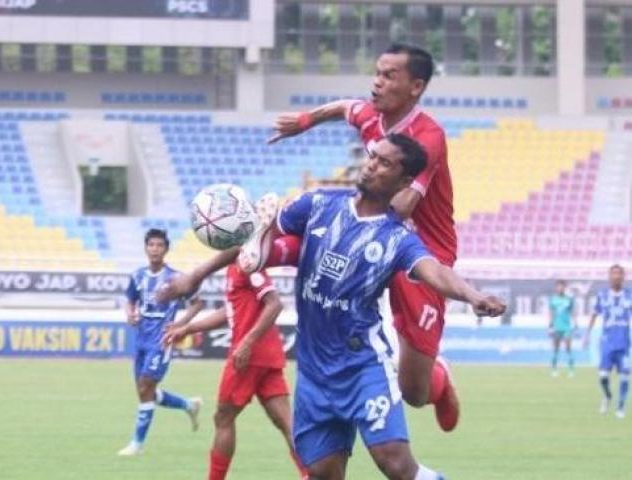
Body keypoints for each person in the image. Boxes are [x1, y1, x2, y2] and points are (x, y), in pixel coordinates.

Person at [159, 134, 505, 479]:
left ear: (402, 181)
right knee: (323, 472)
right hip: (314, 372)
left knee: (396, 464)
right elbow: (264, 243)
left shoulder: (397, 238)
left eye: (385, 162)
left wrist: (474, 297)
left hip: (362, 366)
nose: (371, 164)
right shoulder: (317, 204)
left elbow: (436, 272)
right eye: (373, 156)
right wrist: (199, 274)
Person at [253, 43, 460, 431]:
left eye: (388, 76)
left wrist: (338, 209)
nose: (377, 82)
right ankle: (261, 250)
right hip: (374, 237)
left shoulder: (427, 138)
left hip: (422, 253)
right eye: (377, 73)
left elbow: (401, 208)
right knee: (317, 238)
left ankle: (440, 378)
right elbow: (344, 106)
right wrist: (304, 121)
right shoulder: (370, 116)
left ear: (416, 87)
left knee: (414, 392)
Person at [164, 263, 308, 480]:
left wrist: (248, 342)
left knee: (223, 418)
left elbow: (275, 304)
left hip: (247, 358)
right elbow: (230, 311)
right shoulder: (236, 266)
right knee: (286, 422)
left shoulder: (247, 263)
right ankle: (309, 474)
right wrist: (188, 328)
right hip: (268, 354)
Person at [117, 228, 205, 456]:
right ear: (146, 248)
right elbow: (130, 300)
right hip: (141, 338)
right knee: (144, 391)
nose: (155, 249)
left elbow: (197, 303)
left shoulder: (176, 279)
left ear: (166, 249)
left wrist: (181, 324)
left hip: (162, 338)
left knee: (146, 387)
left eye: (159, 245)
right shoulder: (137, 276)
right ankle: (189, 405)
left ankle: (137, 444)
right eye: (151, 245)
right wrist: (130, 312)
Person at [584, 264, 631, 419]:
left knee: (625, 375)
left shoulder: (629, 296)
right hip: (607, 343)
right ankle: (608, 396)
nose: (616, 276)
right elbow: (594, 315)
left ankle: (620, 406)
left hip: (624, 343)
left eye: (619, 274)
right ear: (609, 277)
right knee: (603, 376)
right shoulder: (602, 295)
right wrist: (586, 335)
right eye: (613, 273)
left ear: (624, 277)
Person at [548, 280, 576, 377]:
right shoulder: (553, 299)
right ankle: (554, 370)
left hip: (566, 327)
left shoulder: (569, 299)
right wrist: (550, 326)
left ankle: (571, 370)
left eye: (562, 286)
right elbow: (551, 313)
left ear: (565, 288)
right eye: (558, 286)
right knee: (556, 349)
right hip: (556, 327)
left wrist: (575, 323)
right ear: (556, 288)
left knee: (568, 348)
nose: (560, 288)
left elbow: (572, 312)